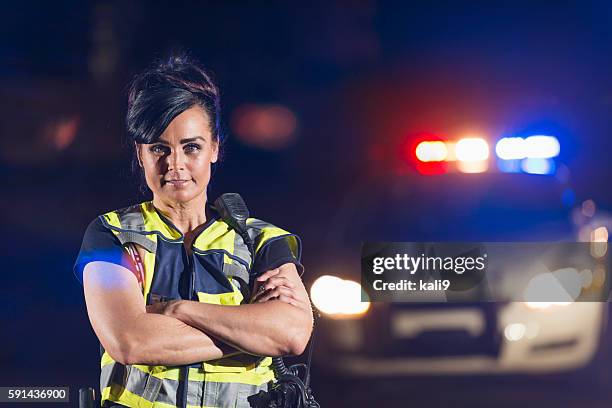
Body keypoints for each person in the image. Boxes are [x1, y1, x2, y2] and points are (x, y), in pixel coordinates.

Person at [73, 54, 314, 408]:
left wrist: (176, 311)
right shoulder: (111, 235)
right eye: (159, 148)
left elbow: (292, 335)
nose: (176, 165)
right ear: (140, 153)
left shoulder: (261, 239)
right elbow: (129, 341)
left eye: (191, 147)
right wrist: (254, 332)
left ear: (214, 148)